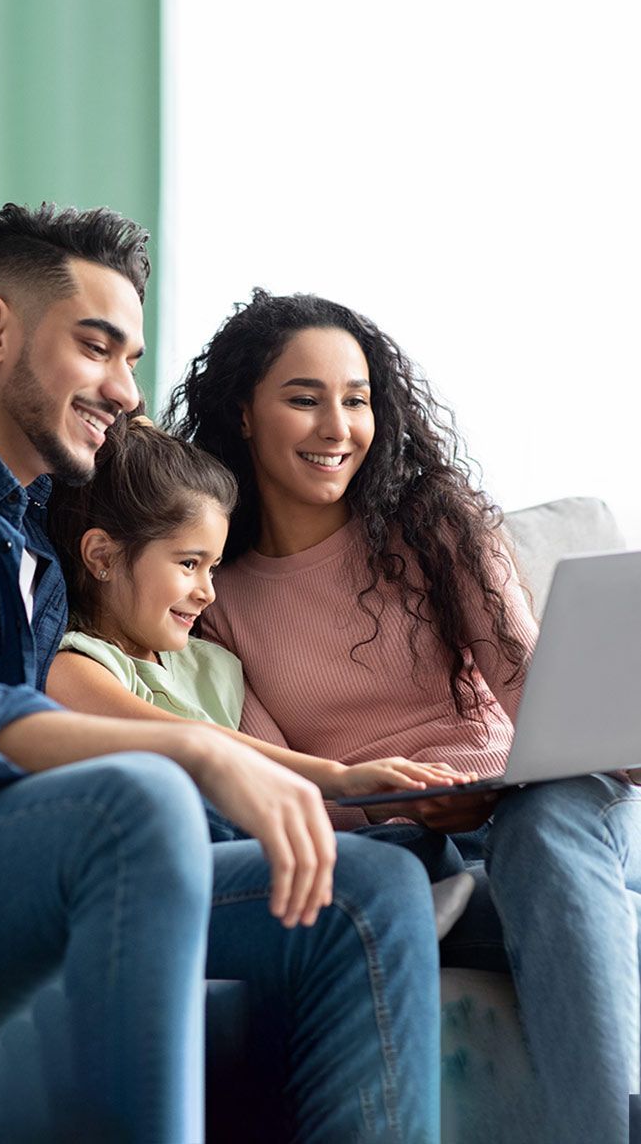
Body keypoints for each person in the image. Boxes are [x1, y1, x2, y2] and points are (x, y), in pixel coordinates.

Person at [0, 206, 445, 1143]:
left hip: (5, 860)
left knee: (363, 890)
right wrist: (188, 752)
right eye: (98, 348)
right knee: (139, 797)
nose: (126, 389)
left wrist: (331, 796)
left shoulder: (32, 527)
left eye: (132, 359)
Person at [165, 287, 641, 1144]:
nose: (337, 427)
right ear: (241, 411)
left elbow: (534, 686)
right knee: (422, 875)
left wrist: (612, 736)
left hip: (535, 807)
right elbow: (276, 776)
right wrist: (401, 802)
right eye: (303, 399)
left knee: (545, 816)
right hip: (404, 839)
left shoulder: (434, 522)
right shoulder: (214, 590)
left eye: (356, 400)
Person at [46, 414, 476, 937]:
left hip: (250, 842)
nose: (207, 591)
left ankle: (403, 916)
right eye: (188, 564)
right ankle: (397, 914)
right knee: (203, 807)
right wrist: (341, 777)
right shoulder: (73, 666)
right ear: (102, 556)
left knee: (417, 847)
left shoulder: (212, 664)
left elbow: (268, 775)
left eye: (214, 567)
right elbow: (192, 740)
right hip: (183, 854)